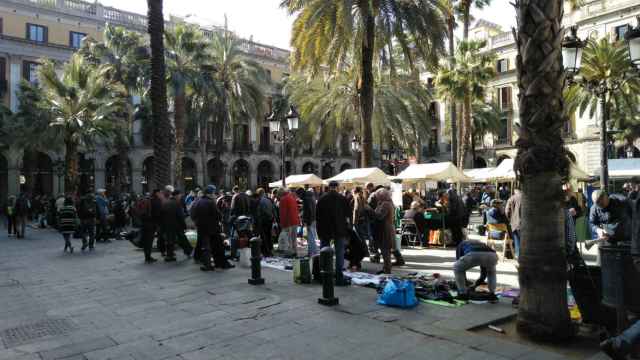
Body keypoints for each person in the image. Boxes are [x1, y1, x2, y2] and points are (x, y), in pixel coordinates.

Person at [191, 185, 234, 271]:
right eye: (214, 193)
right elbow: (218, 215)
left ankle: (207, 264)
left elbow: (192, 215)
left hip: (201, 228)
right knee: (216, 246)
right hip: (212, 228)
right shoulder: (210, 202)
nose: (215, 195)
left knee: (205, 246)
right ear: (210, 194)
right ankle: (216, 264)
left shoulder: (197, 201)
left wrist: (198, 223)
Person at [316, 181, 351, 284]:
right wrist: (347, 229)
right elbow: (348, 215)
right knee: (340, 252)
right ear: (337, 187)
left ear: (329, 187)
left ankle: (324, 273)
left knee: (324, 251)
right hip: (339, 229)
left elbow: (317, 216)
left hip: (325, 229)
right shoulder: (342, 199)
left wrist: (319, 231)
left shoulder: (322, 199)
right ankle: (339, 275)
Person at [160, 185, 185, 262]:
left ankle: (169, 254)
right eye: (180, 195)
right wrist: (183, 225)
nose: (180, 196)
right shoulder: (177, 203)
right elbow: (180, 216)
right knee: (172, 240)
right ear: (177, 195)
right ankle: (170, 255)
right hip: (174, 225)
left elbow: (161, 214)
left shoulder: (165, 202)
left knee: (168, 240)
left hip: (166, 225)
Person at [296, 187, 318, 257]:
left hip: (310, 219)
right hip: (313, 218)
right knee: (311, 236)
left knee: (310, 236)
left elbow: (308, 210)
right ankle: (312, 251)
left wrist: (307, 221)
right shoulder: (310, 196)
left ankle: (312, 252)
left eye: (298, 195)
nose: (298, 197)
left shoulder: (306, 198)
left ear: (300, 193)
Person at [278, 188, 300, 256]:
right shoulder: (292, 197)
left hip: (288, 222)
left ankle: (290, 252)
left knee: (288, 238)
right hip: (295, 220)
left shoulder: (283, 199)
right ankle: (295, 251)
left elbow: (283, 213)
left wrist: (282, 223)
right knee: (294, 238)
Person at [136, 192, 156, 263]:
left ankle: (147, 256)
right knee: (149, 241)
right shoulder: (147, 202)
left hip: (143, 223)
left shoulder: (140, 202)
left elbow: (139, 213)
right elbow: (147, 213)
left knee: (146, 241)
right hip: (148, 224)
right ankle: (148, 257)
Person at [256, 188, 274, 257]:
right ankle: (270, 249)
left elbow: (259, 212)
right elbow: (273, 209)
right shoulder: (269, 200)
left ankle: (266, 252)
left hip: (263, 220)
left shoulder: (260, 201)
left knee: (264, 237)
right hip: (270, 220)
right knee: (269, 236)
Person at [505, 188, 522, 258]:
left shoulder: (511, 199)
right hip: (525, 224)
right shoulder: (527, 198)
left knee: (517, 240)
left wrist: (509, 220)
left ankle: (518, 255)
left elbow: (507, 212)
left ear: (515, 191)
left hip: (514, 223)